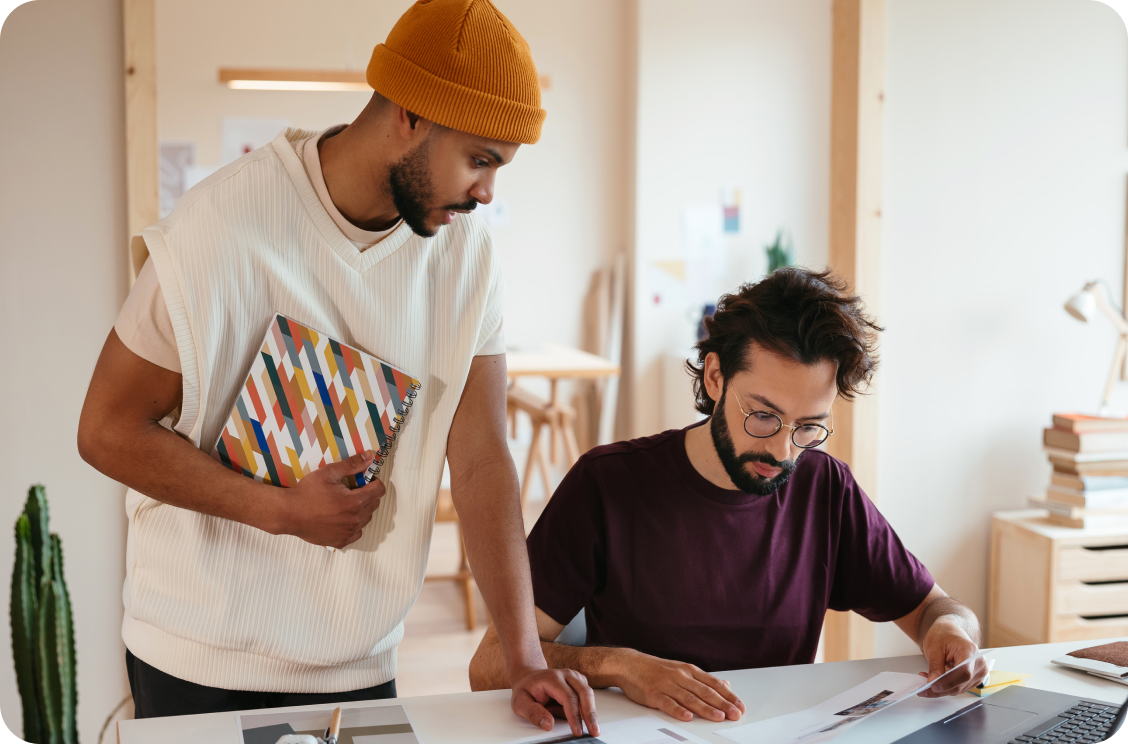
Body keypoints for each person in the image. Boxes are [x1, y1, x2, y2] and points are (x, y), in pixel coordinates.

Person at [77, 0, 597, 736]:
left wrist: (521, 654)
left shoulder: (465, 256)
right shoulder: (217, 229)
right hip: (198, 660)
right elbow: (105, 430)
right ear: (410, 116)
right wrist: (278, 510)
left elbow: (481, 455)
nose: (487, 193)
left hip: (363, 662)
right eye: (480, 159)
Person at [469, 268, 988, 725]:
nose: (783, 450)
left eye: (808, 427)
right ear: (716, 377)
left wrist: (951, 631)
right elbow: (491, 664)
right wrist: (622, 666)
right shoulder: (607, 484)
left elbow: (934, 609)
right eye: (762, 415)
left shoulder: (824, 488)